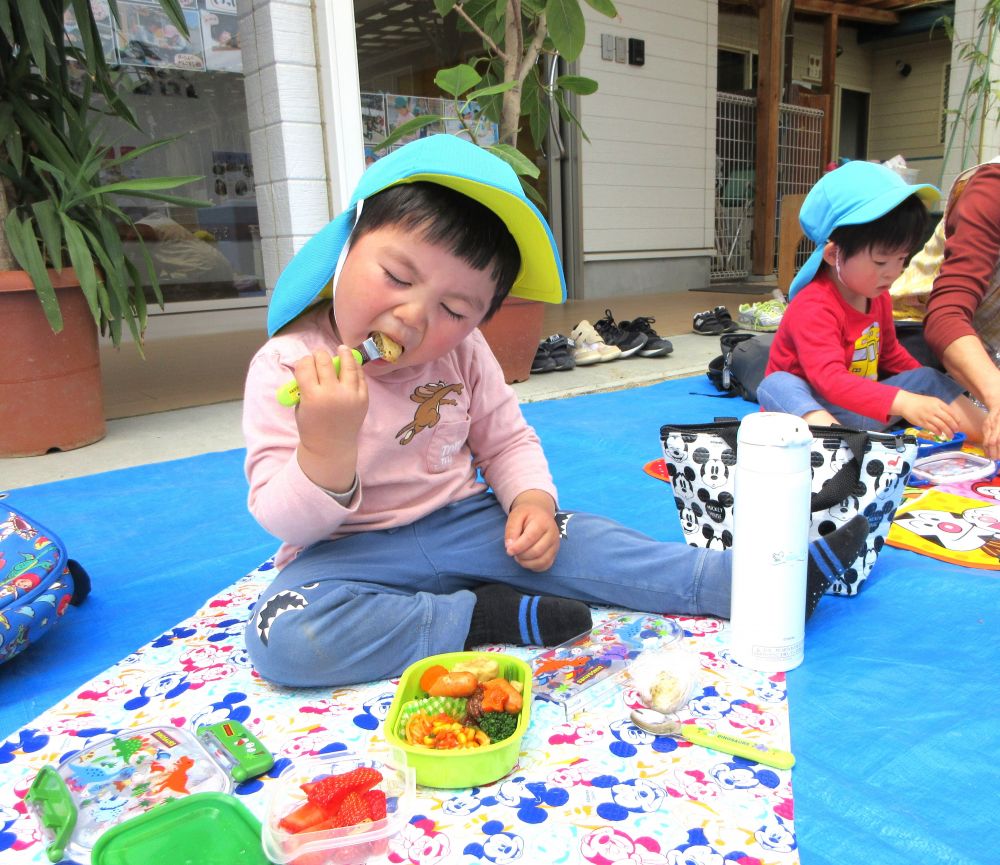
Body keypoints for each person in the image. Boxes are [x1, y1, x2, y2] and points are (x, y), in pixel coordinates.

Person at [241, 135, 869, 688]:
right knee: (284, 638)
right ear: (347, 248)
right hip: (349, 555)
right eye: (398, 277)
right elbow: (285, 521)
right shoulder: (289, 366)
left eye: (456, 311)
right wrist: (324, 449)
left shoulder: (462, 354)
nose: (414, 316)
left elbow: (506, 443)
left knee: (587, 544)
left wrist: (531, 504)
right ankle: (484, 616)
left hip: (463, 522)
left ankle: (752, 583)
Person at [757, 160, 986, 442]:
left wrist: (924, 394)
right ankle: (838, 448)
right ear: (833, 255)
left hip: (862, 410)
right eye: (880, 261)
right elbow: (829, 380)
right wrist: (903, 401)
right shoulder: (814, 305)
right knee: (777, 383)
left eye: (901, 258)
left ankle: (988, 431)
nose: (893, 272)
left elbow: (891, 355)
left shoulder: (876, 296)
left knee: (927, 376)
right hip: (808, 415)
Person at [890, 158, 1000, 458]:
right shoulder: (993, 189)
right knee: (922, 384)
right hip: (915, 330)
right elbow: (946, 316)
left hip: (986, 350)